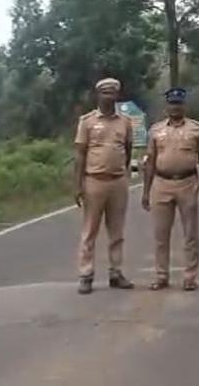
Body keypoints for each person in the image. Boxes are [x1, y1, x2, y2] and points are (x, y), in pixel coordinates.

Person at [143, 87, 199, 291]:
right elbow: (150, 161)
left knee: (190, 234)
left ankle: (190, 277)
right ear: (167, 106)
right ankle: (161, 275)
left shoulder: (196, 129)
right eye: (172, 104)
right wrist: (146, 191)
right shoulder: (155, 130)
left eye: (178, 104)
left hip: (187, 183)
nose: (175, 107)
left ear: (184, 105)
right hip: (161, 184)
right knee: (160, 234)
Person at [73, 78, 134, 295]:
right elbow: (80, 154)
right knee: (90, 231)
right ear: (98, 95)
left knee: (116, 231)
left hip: (117, 181)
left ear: (117, 96)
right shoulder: (87, 121)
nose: (109, 97)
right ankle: (86, 275)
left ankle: (116, 272)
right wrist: (78, 184)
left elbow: (127, 149)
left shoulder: (125, 122)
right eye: (105, 93)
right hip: (93, 181)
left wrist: (123, 173)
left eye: (112, 93)